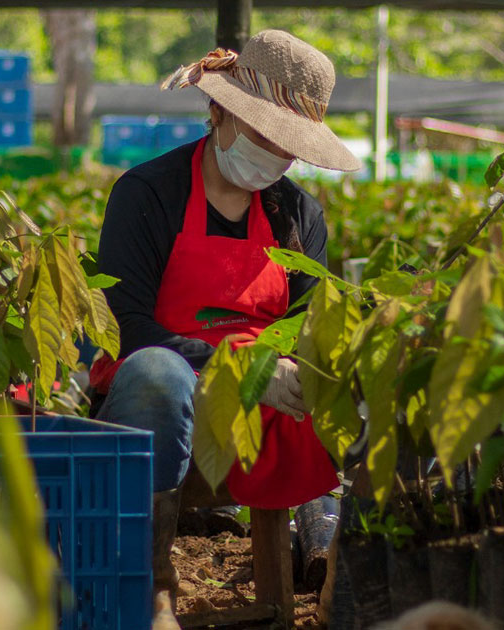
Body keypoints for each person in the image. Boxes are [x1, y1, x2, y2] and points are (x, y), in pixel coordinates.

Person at [89, 29, 360, 624]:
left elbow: (303, 328)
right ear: (219, 111)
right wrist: (239, 370)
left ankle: (346, 567)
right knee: (157, 375)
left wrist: (295, 369)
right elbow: (127, 330)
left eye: (288, 147)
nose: (275, 155)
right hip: (166, 399)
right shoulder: (147, 195)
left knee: (361, 384)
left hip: (265, 414)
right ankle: (153, 584)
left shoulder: (298, 215)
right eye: (265, 135)